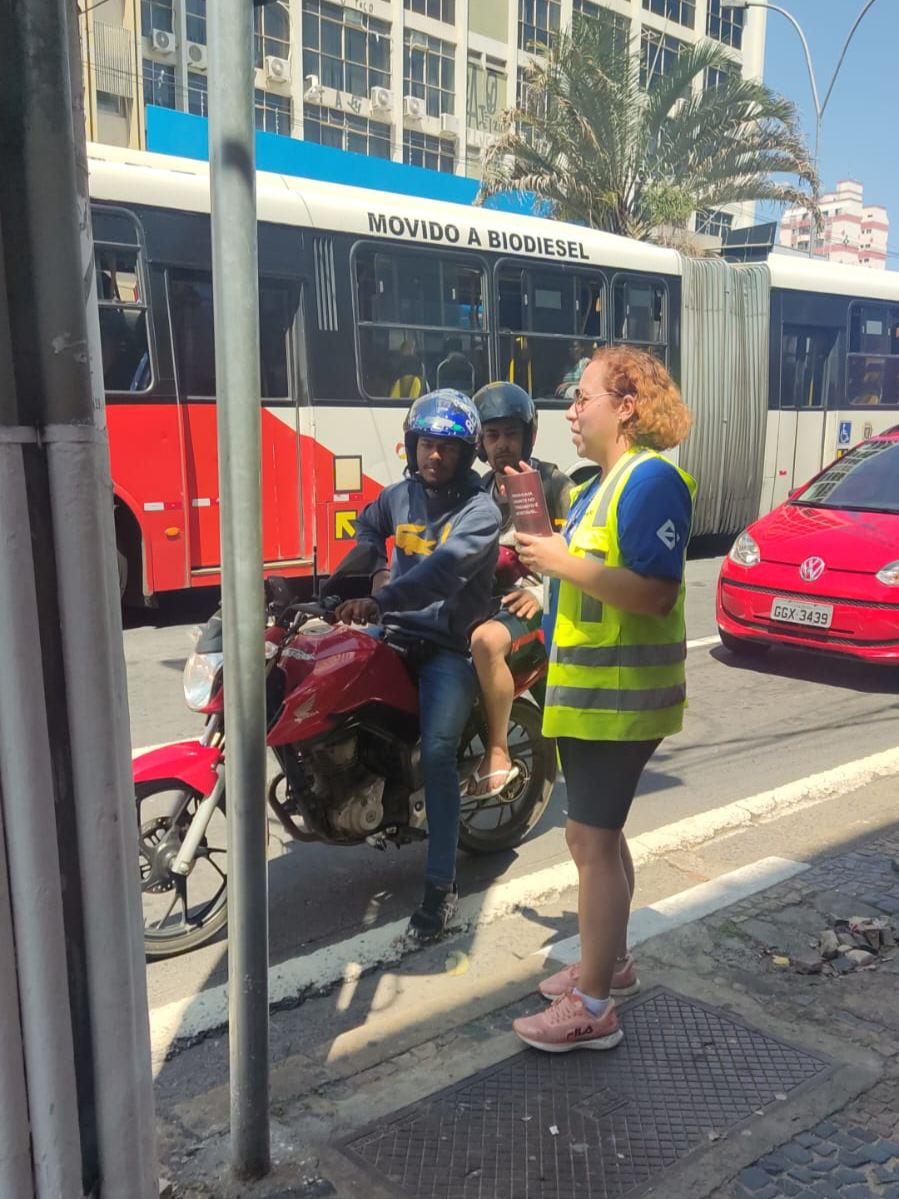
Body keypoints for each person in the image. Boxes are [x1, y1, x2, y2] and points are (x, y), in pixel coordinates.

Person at [509, 346, 695, 1053]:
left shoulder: (649, 480)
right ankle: (607, 967)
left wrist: (558, 560)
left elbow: (654, 592)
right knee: (599, 836)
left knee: (588, 841)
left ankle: (591, 1005)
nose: (569, 410)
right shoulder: (600, 484)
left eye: (581, 396)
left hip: (620, 698)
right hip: (596, 697)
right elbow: (591, 576)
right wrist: (545, 570)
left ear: (624, 405)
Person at [333, 390, 501, 942]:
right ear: (412, 445)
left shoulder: (479, 511)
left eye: (447, 448)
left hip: (447, 648)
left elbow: (442, 573)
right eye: (427, 444)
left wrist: (383, 599)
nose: (435, 456)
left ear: (466, 455)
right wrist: (367, 577)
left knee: (436, 754)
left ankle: (440, 888)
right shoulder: (397, 497)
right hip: (396, 632)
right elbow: (364, 527)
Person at [467, 381, 572, 798]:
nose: (502, 445)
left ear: (527, 436)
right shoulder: (478, 490)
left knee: (486, 643)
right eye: (492, 436)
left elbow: (579, 551)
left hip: (535, 608)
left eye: (511, 434)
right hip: (487, 601)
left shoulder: (552, 484)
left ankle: (497, 751)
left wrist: (542, 593)